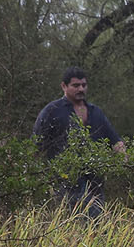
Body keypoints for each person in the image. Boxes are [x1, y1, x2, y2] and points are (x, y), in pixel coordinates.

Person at [32, 66, 125, 216]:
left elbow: (115, 140)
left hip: (95, 180)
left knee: (96, 223)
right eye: (76, 85)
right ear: (64, 86)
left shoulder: (95, 112)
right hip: (65, 180)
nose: (81, 89)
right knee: (72, 222)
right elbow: (36, 145)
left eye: (84, 85)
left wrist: (124, 160)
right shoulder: (52, 111)